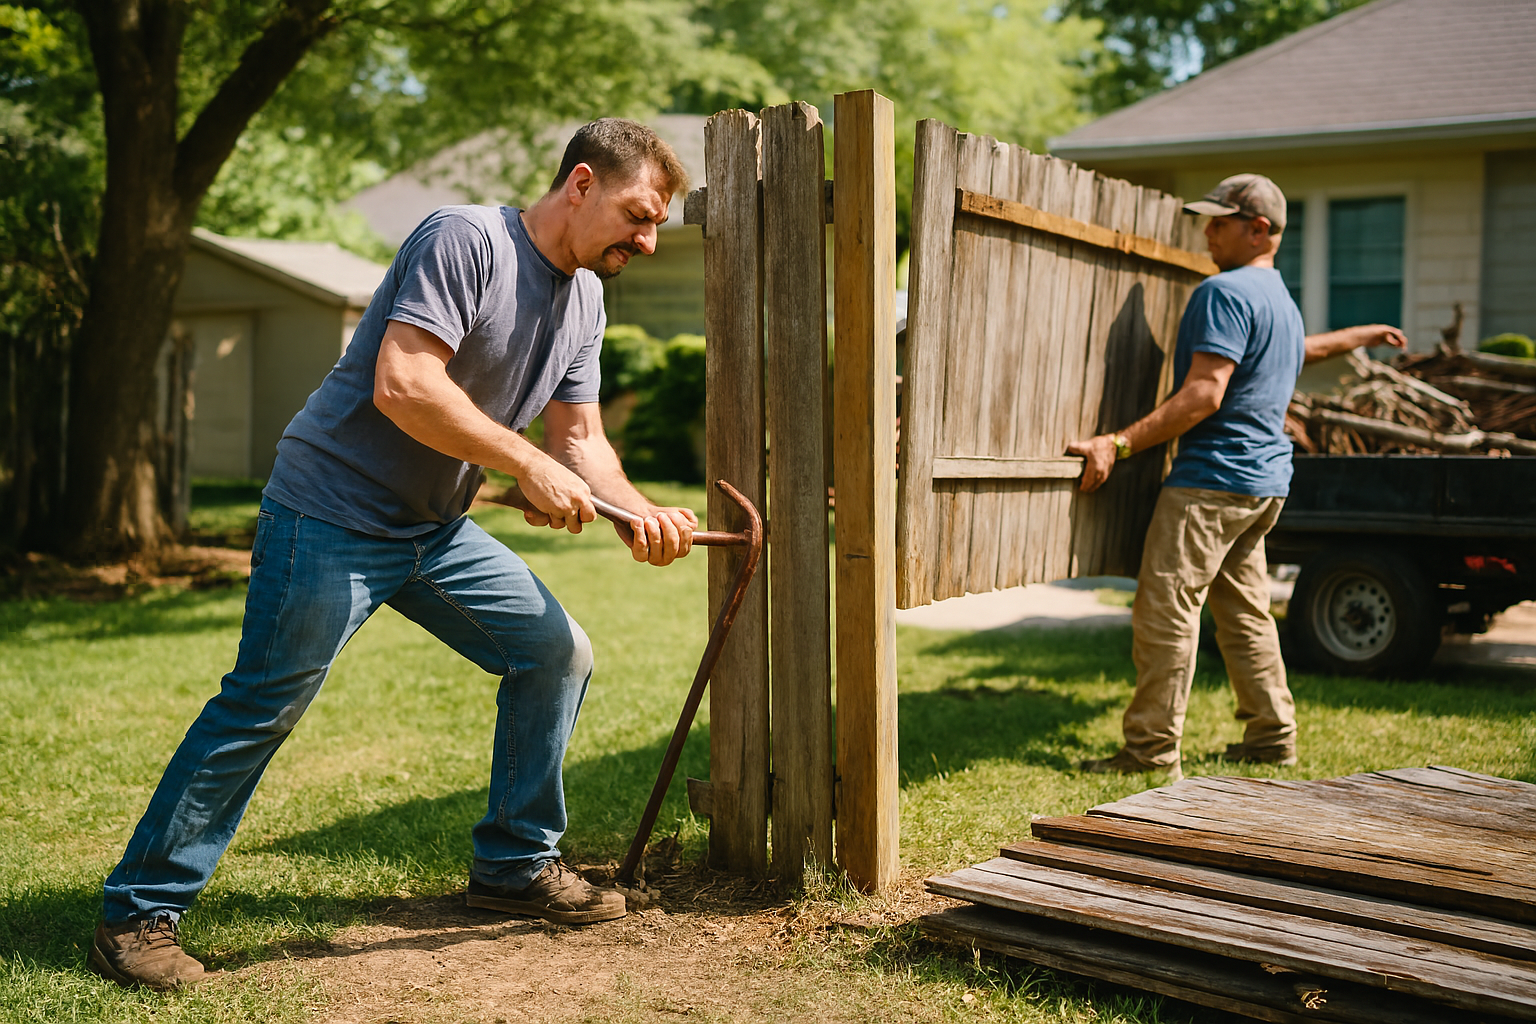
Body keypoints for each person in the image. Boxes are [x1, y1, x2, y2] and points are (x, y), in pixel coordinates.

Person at [89, 119, 699, 991]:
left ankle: (515, 866)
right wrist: (522, 462)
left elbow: (581, 439)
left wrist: (635, 512)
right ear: (579, 184)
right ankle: (137, 913)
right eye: (638, 215)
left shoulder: (587, 301)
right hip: (330, 509)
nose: (645, 239)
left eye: (654, 228)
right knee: (265, 702)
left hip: (432, 527)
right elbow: (404, 384)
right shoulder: (465, 242)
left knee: (554, 653)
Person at [1068, 173, 1406, 784]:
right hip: (1263, 485)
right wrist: (1363, 335)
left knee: (1166, 607)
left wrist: (1115, 443)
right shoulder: (1279, 298)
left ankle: (1149, 749)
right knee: (1245, 613)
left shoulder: (1222, 293)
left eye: (1219, 221)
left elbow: (1204, 393)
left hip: (1211, 481)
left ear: (1260, 230)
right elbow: (1302, 350)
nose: (1207, 231)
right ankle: (1272, 736)